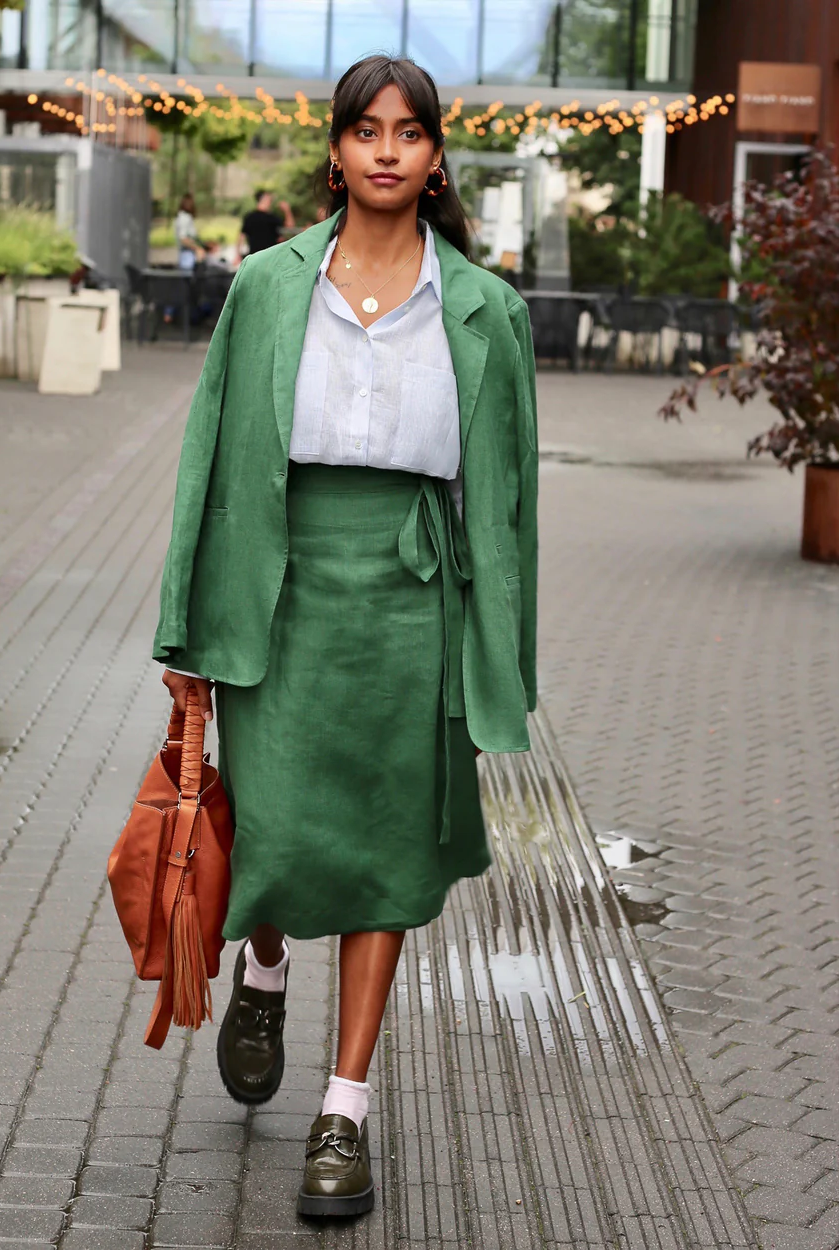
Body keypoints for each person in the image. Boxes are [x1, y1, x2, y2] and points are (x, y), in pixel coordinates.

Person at [154, 54, 538, 1219]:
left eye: (407, 132)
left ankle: (344, 1108)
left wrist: (500, 659)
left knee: (384, 850)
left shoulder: (485, 306)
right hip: (274, 598)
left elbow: (510, 500)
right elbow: (209, 453)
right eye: (364, 130)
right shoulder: (268, 286)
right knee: (270, 827)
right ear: (335, 149)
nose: (384, 150)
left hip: (414, 603)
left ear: (433, 157)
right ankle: (263, 965)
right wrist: (184, 627)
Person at [238, 188, 295, 258]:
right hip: (269, 257)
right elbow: (290, 227)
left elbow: (241, 236)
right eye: (268, 198)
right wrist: (287, 210)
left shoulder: (250, 217)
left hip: (254, 257)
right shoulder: (271, 218)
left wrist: (238, 255)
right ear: (263, 199)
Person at [175, 193, 201, 270]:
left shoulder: (184, 217)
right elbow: (183, 239)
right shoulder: (184, 218)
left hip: (189, 255)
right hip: (187, 256)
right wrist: (197, 248)